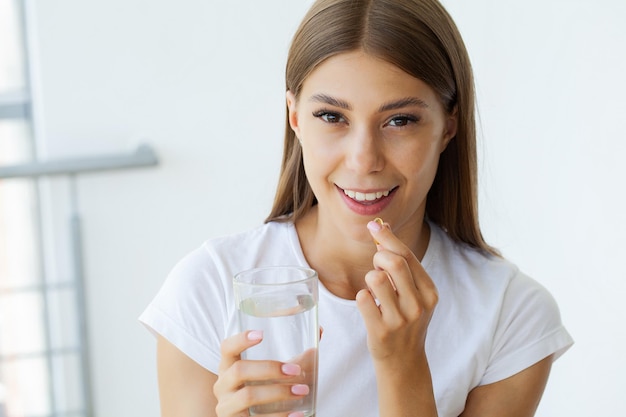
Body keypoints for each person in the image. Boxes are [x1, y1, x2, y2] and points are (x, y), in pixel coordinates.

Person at [140, 0, 573, 416]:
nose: (364, 160)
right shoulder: (209, 287)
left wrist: (402, 368)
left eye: (400, 120)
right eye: (332, 116)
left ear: (448, 127)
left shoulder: (510, 313)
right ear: (294, 117)